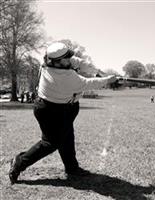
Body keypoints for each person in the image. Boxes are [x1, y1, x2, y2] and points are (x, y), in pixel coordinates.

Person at [9, 41, 117, 184]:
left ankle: (72, 168)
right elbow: (88, 83)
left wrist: (98, 72)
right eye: (66, 58)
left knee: (67, 137)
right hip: (50, 110)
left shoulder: (56, 61)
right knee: (50, 143)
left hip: (64, 108)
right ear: (57, 62)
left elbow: (80, 62)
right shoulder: (63, 77)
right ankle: (19, 162)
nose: (70, 60)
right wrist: (108, 80)